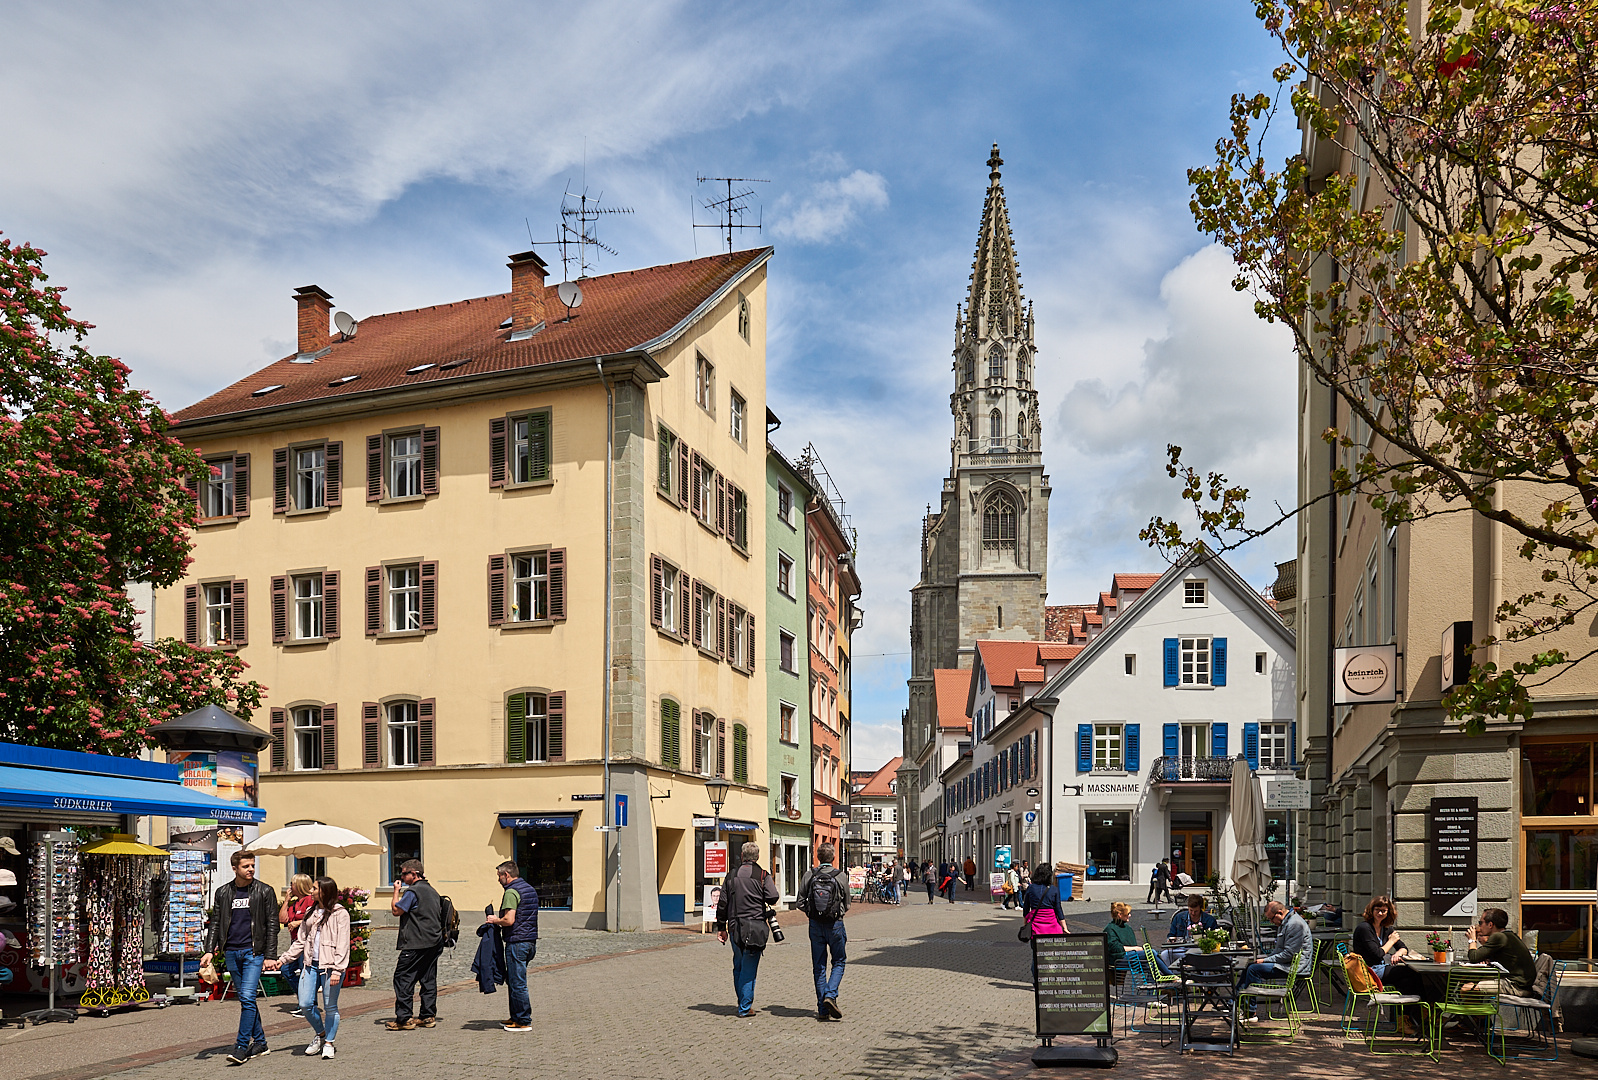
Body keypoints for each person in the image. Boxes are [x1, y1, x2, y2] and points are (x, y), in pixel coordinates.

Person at [201, 850, 280, 1066]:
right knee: (247, 1000)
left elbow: (273, 925)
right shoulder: (223, 892)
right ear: (234, 868)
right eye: (246, 866)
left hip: (253, 953)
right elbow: (215, 922)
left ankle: (241, 1046)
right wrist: (210, 950)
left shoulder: (264, 891)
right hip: (231, 952)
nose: (251, 869)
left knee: (246, 997)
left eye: (252, 865)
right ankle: (261, 1043)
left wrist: (270, 955)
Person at [266, 876, 349, 1060]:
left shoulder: (339, 913)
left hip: (330, 967)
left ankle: (329, 1043)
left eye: (314, 888)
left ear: (324, 891)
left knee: (330, 1006)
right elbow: (300, 941)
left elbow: (343, 944)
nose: (311, 891)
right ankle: (320, 1034)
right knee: (304, 1004)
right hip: (311, 964)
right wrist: (284, 959)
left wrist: (338, 969)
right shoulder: (311, 912)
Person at [715, 841, 780, 1018]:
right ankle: (744, 1007)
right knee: (749, 968)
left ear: (742, 856)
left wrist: (721, 927)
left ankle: (742, 1001)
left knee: (739, 965)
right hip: (755, 927)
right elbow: (773, 897)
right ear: (757, 857)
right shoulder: (762, 875)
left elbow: (722, 903)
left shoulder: (731, 875)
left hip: (735, 926)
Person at [1352, 896, 1424, 1036]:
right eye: (1377, 910)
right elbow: (1377, 954)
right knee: (1411, 973)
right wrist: (1391, 942)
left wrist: (1398, 953)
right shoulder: (1364, 928)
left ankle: (1406, 1020)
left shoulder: (1386, 928)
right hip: (1369, 972)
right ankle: (1422, 1013)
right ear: (1371, 910)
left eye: (1384, 911)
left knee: (1407, 982)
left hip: (1381, 968)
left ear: (1388, 913)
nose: (1380, 913)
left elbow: (1403, 948)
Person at [387, 859, 443, 1031]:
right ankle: (428, 1016)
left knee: (403, 977)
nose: (402, 877)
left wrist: (396, 891)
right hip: (434, 941)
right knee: (427, 978)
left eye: (404, 873)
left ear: (415, 874)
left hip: (415, 942)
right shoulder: (432, 890)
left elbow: (396, 911)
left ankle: (404, 1019)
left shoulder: (413, 892)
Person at [798, 842, 851, 1021]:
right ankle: (830, 994)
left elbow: (799, 902)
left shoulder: (809, 874)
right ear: (833, 858)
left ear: (818, 857)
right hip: (835, 924)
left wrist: (812, 913)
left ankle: (822, 1009)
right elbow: (848, 904)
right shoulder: (841, 876)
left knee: (819, 966)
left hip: (815, 925)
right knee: (839, 961)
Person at [486, 860, 539, 1032]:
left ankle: (523, 1020)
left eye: (499, 876)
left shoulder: (512, 892)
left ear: (506, 875)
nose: (498, 880)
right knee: (515, 980)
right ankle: (516, 1016)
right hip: (530, 941)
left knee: (517, 982)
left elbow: (509, 920)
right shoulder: (529, 888)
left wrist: (495, 920)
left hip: (517, 942)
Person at [1236, 901, 1313, 1015]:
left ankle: (1250, 1011)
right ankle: (1235, 1000)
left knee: (1254, 970)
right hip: (1287, 964)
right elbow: (1279, 950)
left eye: (1272, 919)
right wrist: (1265, 959)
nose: (1271, 922)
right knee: (1250, 966)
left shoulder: (1294, 924)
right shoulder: (1286, 922)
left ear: (1279, 913)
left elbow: (1288, 955)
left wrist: (1266, 960)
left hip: (1294, 967)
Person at [1465, 907, 1538, 997]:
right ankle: (1477, 1009)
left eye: (1481, 923)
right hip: (1520, 983)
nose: (1479, 926)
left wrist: (1472, 940)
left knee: (1466, 988)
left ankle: (1474, 1011)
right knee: (1466, 979)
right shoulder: (1508, 935)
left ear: (1490, 925)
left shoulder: (1498, 937)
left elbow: (1474, 957)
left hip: (1516, 985)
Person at [276, 874, 316, 1004]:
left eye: (292, 884)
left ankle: (308, 1003)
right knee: (286, 970)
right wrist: (286, 900)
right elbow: (282, 919)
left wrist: (298, 923)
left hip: (306, 943)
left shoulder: (311, 900)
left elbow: (315, 918)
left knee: (305, 974)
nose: (290, 887)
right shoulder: (294, 904)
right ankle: (304, 1000)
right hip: (295, 943)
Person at [1105, 902, 1138, 982]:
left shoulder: (1127, 928)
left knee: (1152, 959)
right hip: (1118, 959)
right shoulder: (1110, 929)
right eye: (1128, 913)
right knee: (1152, 954)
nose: (1130, 915)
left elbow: (1132, 943)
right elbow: (1116, 948)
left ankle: (1154, 988)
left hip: (1130, 955)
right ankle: (1171, 977)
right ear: (1120, 915)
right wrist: (1136, 948)